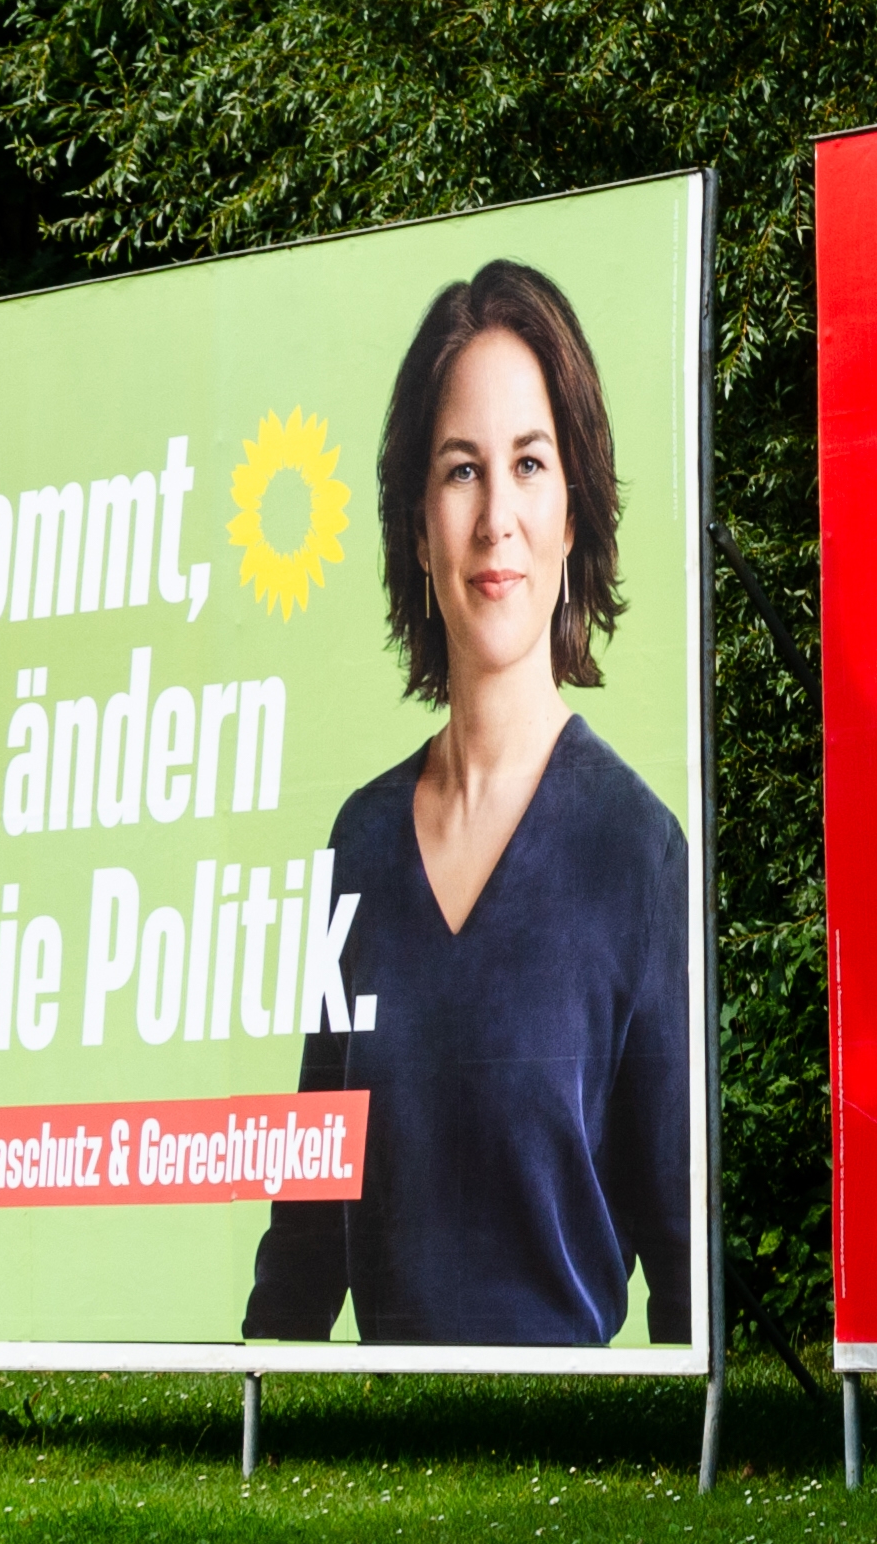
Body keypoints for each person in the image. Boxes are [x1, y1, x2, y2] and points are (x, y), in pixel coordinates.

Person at [245, 263, 695, 1347]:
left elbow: (687, 1275)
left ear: (573, 509)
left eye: (529, 465)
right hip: (368, 1472)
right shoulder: (358, 844)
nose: (497, 517)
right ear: (414, 526)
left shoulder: (641, 856)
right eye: (460, 471)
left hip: (560, 1473)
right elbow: (307, 1230)